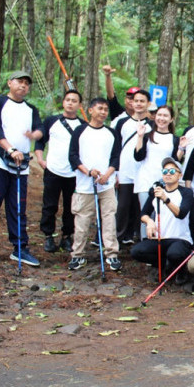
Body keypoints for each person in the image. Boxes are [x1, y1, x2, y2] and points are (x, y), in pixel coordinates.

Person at [0, 71, 43, 266]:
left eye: (26, 83)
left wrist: (35, 134)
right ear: (9, 83)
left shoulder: (31, 109)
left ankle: (20, 247)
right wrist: (10, 149)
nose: (23, 86)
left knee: (17, 206)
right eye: (19, 82)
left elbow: (40, 128)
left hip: (19, 165)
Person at [67, 97, 122, 271]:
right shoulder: (80, 131)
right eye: (99, 108)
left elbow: (116, 157)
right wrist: (87, 171)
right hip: (85, 184)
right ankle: (77, 255)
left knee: (109, 219)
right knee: (82, 220)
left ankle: (111, 254)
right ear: (90, 110)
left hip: (106, 185)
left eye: (105, 109)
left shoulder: (111, 133)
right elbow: (73, 156)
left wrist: (107, 174)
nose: (103, 112)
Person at [35, 89, 86, 253]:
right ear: (63, 102)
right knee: (49, 204)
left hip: (73, 173)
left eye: (74, 100)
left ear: (79, 105)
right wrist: (40, 159)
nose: (70, 103)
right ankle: (48, 236)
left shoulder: (83, 126)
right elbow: (40, 141)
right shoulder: (51, 121)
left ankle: (67, 236)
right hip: (53, 170)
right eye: (68, 100)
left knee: (71, 206)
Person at [130, 157, 194, 283]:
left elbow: (181, 214)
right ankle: (162, 265)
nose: (168, 175)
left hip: (180, 238)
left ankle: (180, 270)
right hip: (160, 238)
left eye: (172, 171)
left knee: (175, 253)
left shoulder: (186, 192)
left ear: (179, 175)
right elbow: (144, 213)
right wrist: (149, 221)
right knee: (136, 251)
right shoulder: (156, 192)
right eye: (165, 172)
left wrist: (166, 199)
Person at [114, 89, 152, 246]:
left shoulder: (152, 125)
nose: (138, 104)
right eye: (136, 100)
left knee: (141, 207)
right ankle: (117, 238)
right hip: (125, 171)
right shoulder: (122, 123)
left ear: (148, 104)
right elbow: (115, 147)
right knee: (122, 206)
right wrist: (115, 171)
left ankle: (140, 238)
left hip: (143, 172)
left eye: (142, 101)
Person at [134, 105, 183, 220]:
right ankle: (145, 239)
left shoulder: (174, 139)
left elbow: (174, 162)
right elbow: (138, 156)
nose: (162, 118)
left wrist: (181, 149)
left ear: (171, 119)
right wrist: (140, 136)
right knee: (146, 217)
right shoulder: (147, 136)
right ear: (155, 117)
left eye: (165, 115)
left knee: (162, 217)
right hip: (145, 182)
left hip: (165, 183)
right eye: (159, 115)